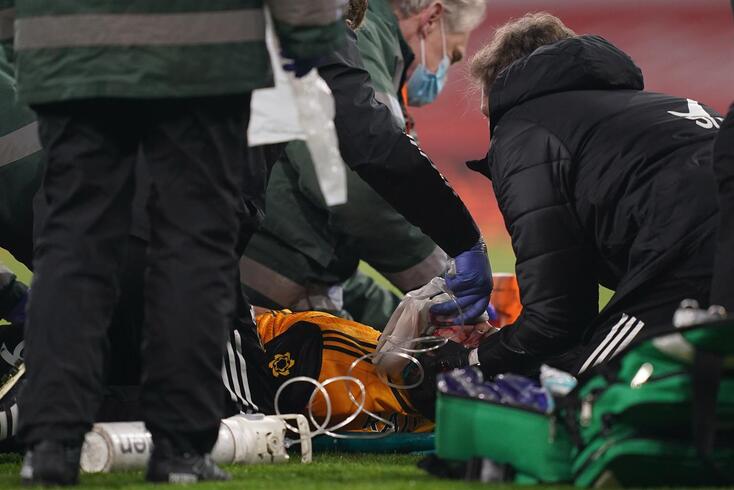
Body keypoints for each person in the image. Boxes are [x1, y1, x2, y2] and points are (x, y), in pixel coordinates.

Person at [9, 1, 348, 485]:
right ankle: (181, 447)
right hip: (203, 47)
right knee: (193, 247)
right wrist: (309, 38)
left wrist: (20, 33)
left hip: (71, 43)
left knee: (73, 241)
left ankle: (49, 445)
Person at [427, 13, 722, 378]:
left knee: (591, 392)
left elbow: (557, 318)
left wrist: (469, 360)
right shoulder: (649, 109)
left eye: (490, 113)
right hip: (707, 253)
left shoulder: (527, 126)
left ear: (501, 88)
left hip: (694, 256)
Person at [243, 0, 490, 329]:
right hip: (255, 288)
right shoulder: (363, 40)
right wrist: (447, 280)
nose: (444, 69)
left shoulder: (371, 46)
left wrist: (400, 312)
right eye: (453, 55)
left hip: (257, 275)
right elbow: (360, 193)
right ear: (432, 17)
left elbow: (326, 253)